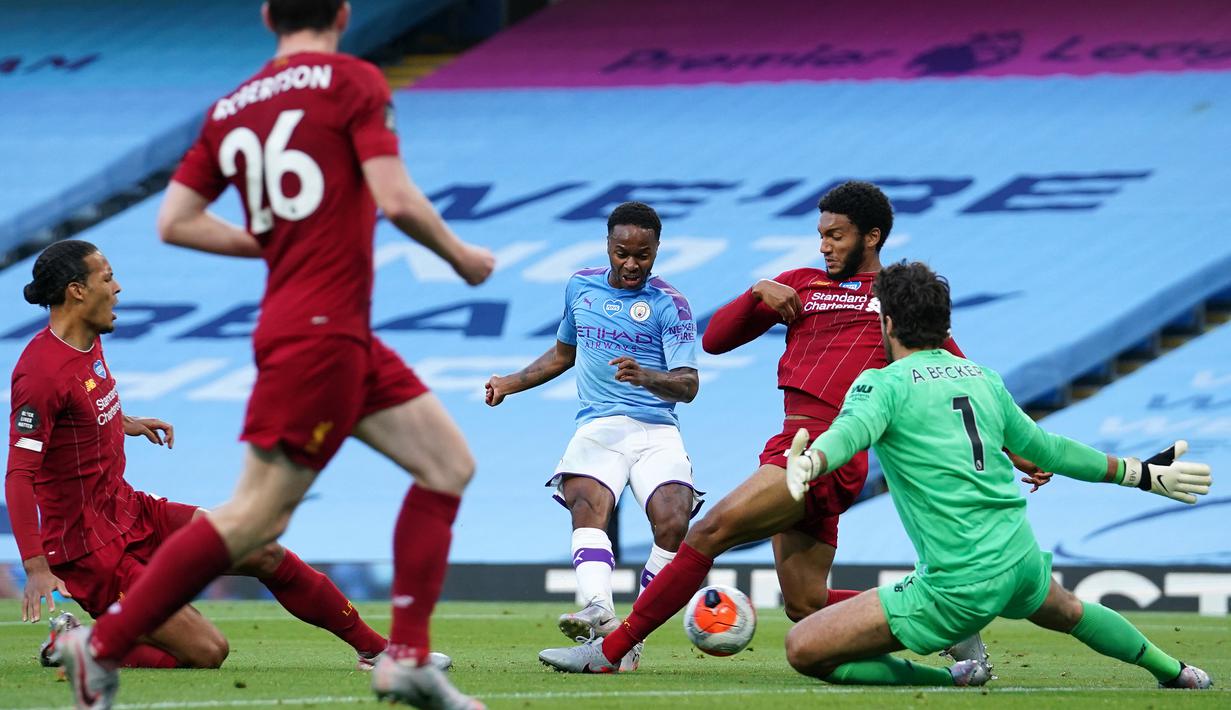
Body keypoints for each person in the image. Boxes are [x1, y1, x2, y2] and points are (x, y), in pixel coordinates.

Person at [50, 2, 495, 709]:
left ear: (266, 17)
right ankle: (98, 649)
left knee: (447, 465)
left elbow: (175, 221)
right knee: (255, 520)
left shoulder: (231, 107)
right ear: (345, 13)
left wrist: (272, 242)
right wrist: (463, 256)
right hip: (318, 334)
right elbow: (397, 199)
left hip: (332, 328)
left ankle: (405, 656)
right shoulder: (353, 80)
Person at [537, 180, 1019, 673]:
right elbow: (719, 339)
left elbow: (957, 374)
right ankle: (951, 621)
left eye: (836, 236)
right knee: (806, 604)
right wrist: (757, 294)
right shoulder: (802, 284)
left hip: (825, 450)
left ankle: (611, 652)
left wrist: (1016, 449)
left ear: (872, 237)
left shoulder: (893, 300)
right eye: (821, 234)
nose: (824, 245)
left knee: (708, 532)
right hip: (791, 443)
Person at [777, 260, 1212, 689]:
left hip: (958, 582)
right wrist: (1140, 474)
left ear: (887, 324)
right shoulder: (983, 379)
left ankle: (952, 679)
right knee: (1070, 611)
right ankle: (1178, 673)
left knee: (803, 647)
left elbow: (849, 434)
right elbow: (1050, 449)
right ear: (945, 326)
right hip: (1019, 559)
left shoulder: (882, 384)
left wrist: (812, 462)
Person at [8, 239, 429, 672]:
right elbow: (20, 474)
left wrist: (123, 420)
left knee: (262, 550)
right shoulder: (39, 375)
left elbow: (77, 412)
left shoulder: (88, 343)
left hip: (130, 511)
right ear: (77, 290)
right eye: (107, 277)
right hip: (89, 550)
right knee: (207, 653)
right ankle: (81, 645)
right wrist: (36, 566)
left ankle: (376, 651)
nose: (117, 288)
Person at [485, 202, 701, 669]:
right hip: (598, 426)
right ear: (608, 245)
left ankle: (630, 638)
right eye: (622, 252)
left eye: (642, 255)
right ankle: (599, 610)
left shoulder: (671, 304)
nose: (631, 264)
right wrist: (509, 383)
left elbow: (688, 385)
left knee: (673, 520)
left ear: (657, 250)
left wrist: (646, 376)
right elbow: (563, 355)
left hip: (656, 429)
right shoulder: (580, 287)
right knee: (586, 501)